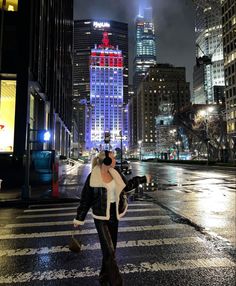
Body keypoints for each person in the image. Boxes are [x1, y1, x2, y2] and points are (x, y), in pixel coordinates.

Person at [73, 150, 150, 286]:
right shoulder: (93, 177)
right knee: (108, 250)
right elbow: (85, 200)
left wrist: (143, 179)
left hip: (114, 215)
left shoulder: (116, 173)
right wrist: (79, 218)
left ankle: (103, 277)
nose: (115, 160)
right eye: (113, 158)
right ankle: (116, 282)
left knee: (111, 249)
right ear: (107, 161)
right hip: (100, 217)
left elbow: (127, 187)